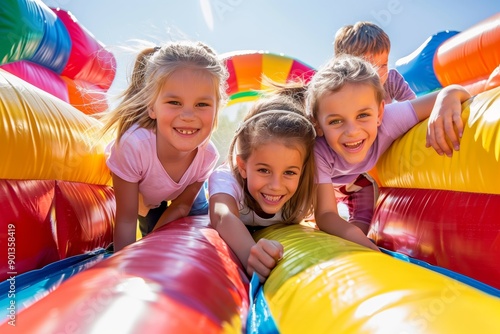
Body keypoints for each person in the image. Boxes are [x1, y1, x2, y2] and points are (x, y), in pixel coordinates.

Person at [305, 54, 471, 249]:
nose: (352, 131)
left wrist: (449, 97)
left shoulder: (389, 120)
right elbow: (325, 214)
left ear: (380, 113)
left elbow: (451, 93)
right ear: (317, 124)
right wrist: (369, 248)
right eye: (336, 121)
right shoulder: (318, 150)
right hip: (312, 186)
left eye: (363, 115)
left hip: (354, 183)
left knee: (365, 192)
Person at [100, 41, 229, 252]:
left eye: (202, 104)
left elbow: (181, 206)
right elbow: (125, 219)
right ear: (152, 106)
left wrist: (153, 243)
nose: (188, 116)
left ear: (218, 108)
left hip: (185, 194)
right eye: (174, 103)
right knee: (148, 222)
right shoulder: (134, 146)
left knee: (200, 214)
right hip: (146, 196)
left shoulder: (207, 155)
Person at [208, 91, 317, 282]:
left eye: (289, 172)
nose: (276, 186)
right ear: (243, 166)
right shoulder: (227, 178)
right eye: (264, 171)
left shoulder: (307, 190)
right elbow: (222, 215)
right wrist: (249, 252)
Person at [333, 21, 416, 104]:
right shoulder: (342, 92)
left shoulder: (391, 81)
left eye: (383, 65)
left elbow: (415, 106)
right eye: (370, 68)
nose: (379, 74)